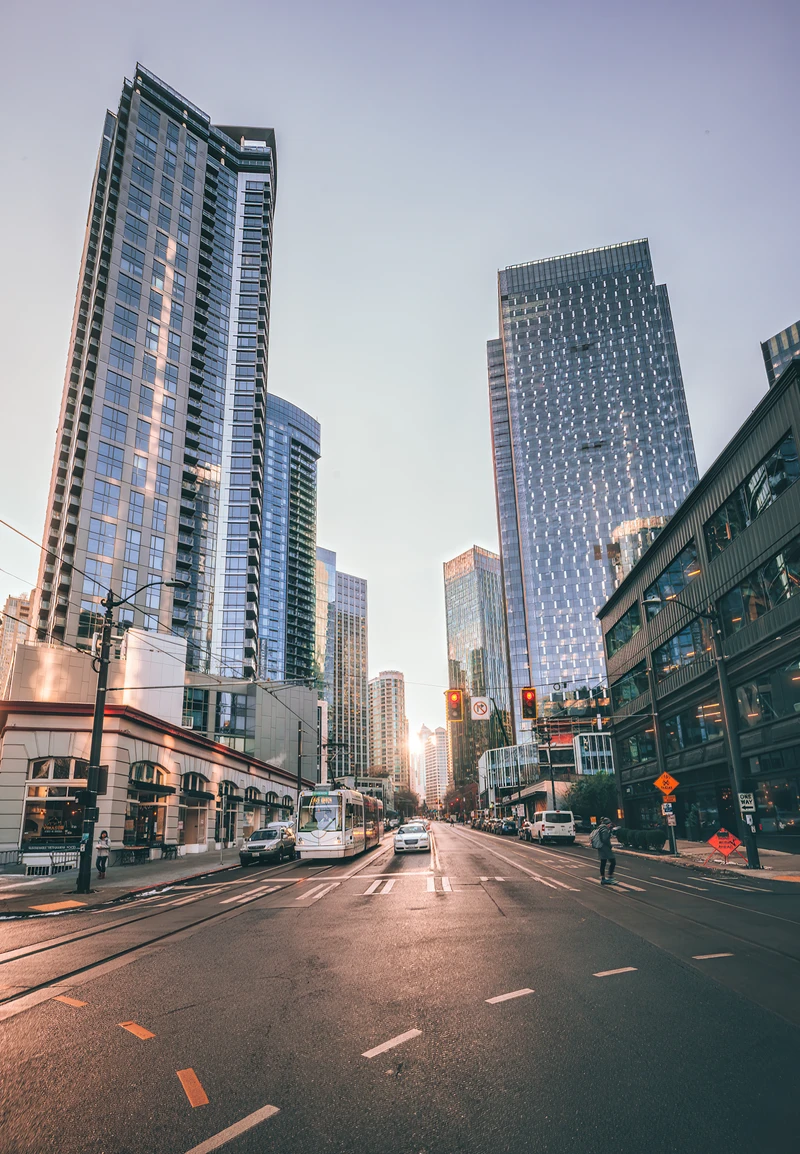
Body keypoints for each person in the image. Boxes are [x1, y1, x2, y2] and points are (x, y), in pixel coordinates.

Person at [593, 817, 617, 885]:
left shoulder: (600, 827)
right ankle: (610, 877)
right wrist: (610, 845)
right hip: (605, 848)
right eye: (610, 824)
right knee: (613, 861)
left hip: (601, 848)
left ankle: (603, 878)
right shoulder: (605, 829)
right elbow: (605, 839)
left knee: (603, 863)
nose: (610, 825)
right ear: (607, 824)